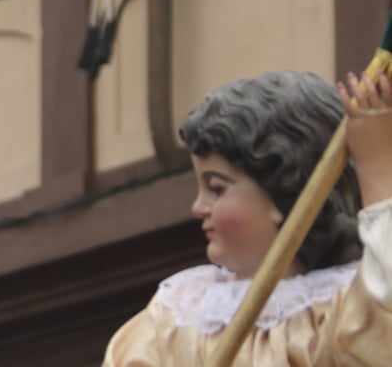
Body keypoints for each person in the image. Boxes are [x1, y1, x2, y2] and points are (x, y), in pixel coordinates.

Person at [103, 69, 392, 365]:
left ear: (287, 191)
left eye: (217, 188)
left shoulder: (344, 311)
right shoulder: (172, 323)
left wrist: (378, 168)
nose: (198, 207)